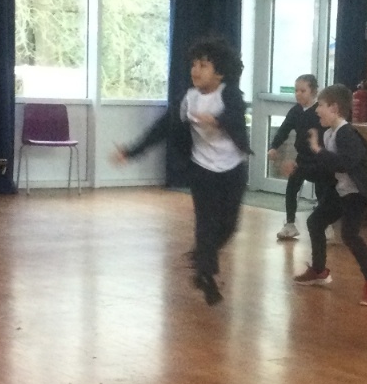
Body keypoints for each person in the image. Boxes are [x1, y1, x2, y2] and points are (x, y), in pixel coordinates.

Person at [114, 37, 249, 306]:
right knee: (206, 222)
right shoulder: (189, 99)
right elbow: (162, 128)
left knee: (228, 226)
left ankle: (203, 256)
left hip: (233, 169)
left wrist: (217, 120)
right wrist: (131, 151)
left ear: (220, 72)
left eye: (203, 65)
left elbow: (237, 114)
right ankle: (206, 274)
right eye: (193, 64)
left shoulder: (229, 94)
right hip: (203, 170)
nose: (195, 70)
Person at [286, 84, 367, 306]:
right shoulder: (330, 133)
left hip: (356, 194)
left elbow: (344, 164)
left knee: (350, 235)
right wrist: (299, 170)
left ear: (334, 108)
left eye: (320, 105)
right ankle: (319, 271)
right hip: (341, 191)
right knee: (315, 222)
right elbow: (325, 169)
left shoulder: (347, 134)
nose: (317, 110)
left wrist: (318, 150)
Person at [267, 74, 321, 241]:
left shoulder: (319, 111)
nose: (298, 94)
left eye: (303, 91)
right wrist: (274, 147)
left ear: (313, 91)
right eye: (296, 90)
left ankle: (324, 224)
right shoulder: (296, 111)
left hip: (320, 159)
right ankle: (290, 224)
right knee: (292, 187)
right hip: (302, 158)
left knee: (322, 190)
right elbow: (284, 129)